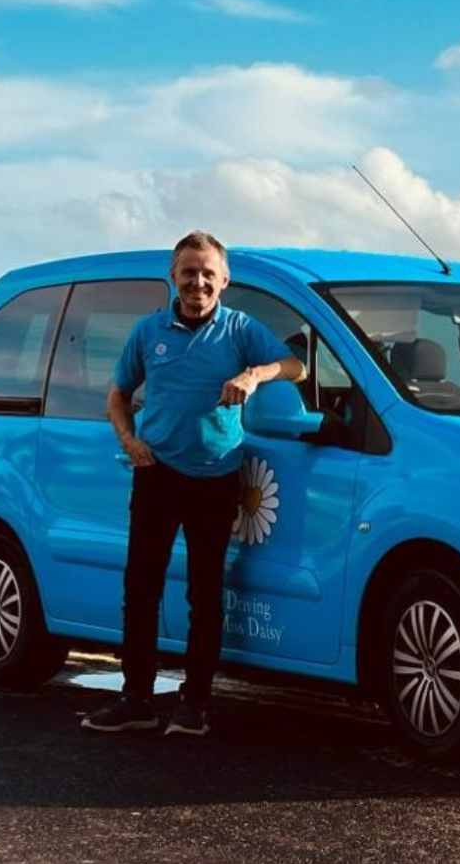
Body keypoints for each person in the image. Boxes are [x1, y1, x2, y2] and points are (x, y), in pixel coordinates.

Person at [82, 231, 306, 736]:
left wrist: (255, 374)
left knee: (205, 595)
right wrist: (128, 439)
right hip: (156, 474)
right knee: (140, 589)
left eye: (208, 273)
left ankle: (194, 704)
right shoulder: (148, 332)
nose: (198, 282)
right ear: (173, 277)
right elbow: (118, 393)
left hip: (215, 478)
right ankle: (136, 697)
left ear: (224, 280)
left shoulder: (240, 329)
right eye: (189, 272)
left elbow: (296, 365)